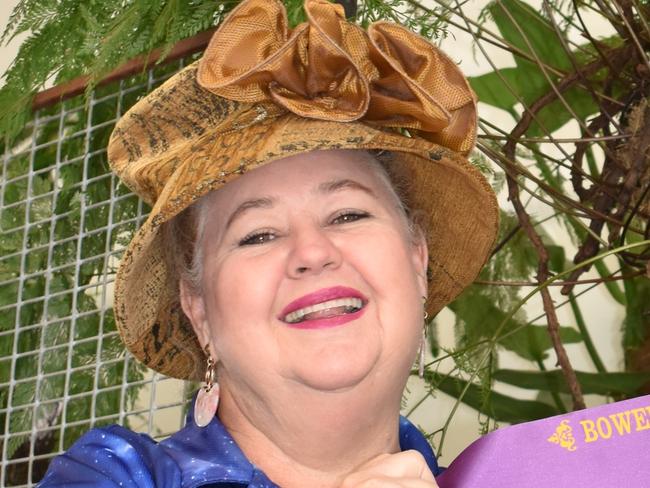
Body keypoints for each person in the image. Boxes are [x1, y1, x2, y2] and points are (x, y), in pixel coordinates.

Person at [37, 0, 498, 486]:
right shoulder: (116, 477)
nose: (313, 253)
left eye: (348, 214)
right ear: (198, 310)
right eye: (258, 235)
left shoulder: (519, 474)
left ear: (417, 261)